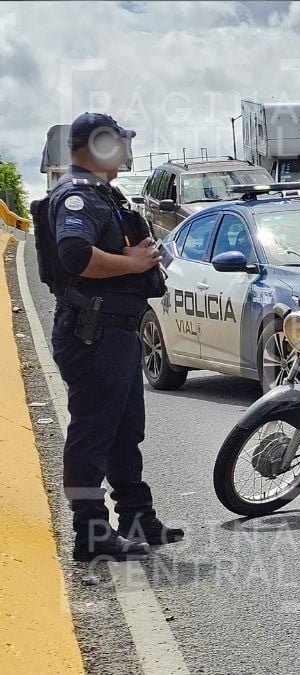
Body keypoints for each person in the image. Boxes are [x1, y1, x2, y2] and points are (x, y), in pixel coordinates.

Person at [45, 113, 183, 561]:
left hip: (115, 331)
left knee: (125, 431)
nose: (126, 150)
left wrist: (136, 258)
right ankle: (90, 532)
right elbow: (74, 254)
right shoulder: (77, 195)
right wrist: (133, 263)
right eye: (119, 141)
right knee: (92, 433)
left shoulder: (103, 192)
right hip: (93, 333)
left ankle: (137, 518)